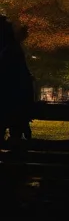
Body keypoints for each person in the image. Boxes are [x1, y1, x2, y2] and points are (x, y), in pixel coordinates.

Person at [0, 15, 34, 148]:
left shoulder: (10, 50)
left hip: (10, 106)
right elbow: (23, 83)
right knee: (16, 141)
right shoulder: (12, 51)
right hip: (15, 107)